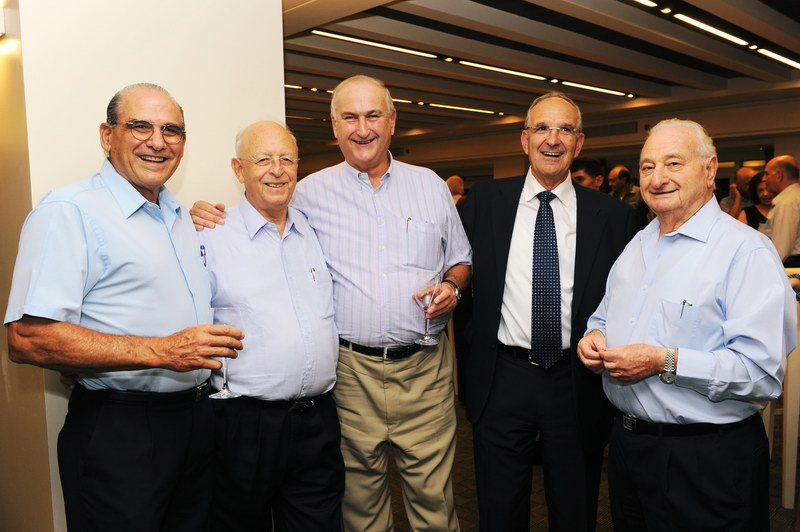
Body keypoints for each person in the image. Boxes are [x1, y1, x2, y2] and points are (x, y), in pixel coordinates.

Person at [191, 75, 472, 532]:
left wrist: (453, 287)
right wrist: (199, 214)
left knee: (435, 503)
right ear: (335, 126)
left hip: (424, 372)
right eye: (350, 117)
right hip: (350, 375)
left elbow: (460, 259)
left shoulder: (431, 186)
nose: (362, 129)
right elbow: (259, 209)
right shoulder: (308, 194)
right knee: (359, 508)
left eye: (373, 115)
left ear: (392, 121)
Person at [4, 83, 243, 531]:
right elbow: (28, 338)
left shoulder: (177, 215)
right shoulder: (69, 211)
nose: (158, 141)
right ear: (106, 135)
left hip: (194, 422)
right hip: (122, 430)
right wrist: (163, 351)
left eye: (171, 130)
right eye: (140, 126)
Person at [578, 119, 796, 531]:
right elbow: (605, 315)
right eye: (647, 167)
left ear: (710, 170)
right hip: (628, 449)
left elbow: (761, 374)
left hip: (706, 459)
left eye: (673, 163)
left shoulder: (745, 251)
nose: (657, 178)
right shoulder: (637, 244)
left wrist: (663, 361)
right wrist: (595, 336)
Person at [461, 92, 636, 531]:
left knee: (575, 508)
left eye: (565, 130)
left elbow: (627, 297)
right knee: (499, 509)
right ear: (524, 140)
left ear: (579, 143)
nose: (552, 139)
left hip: (576, 379)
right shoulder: (484, 201)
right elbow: (460, 277)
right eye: (542, 128)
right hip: (502, 377)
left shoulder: (613, 216)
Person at [201, 121, 343, 531]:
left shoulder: (315, 230)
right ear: (238, 169)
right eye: (262, 159)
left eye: (286, 159)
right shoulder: (209, 236)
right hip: (245, 425)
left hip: (318, 419)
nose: (277, 170)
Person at [761, 155, 800, 266]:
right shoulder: (795, 197)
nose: (764, 179)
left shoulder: (787, 203)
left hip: (789, 267)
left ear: (779, 174)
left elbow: (780, 252)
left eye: (767, 174)